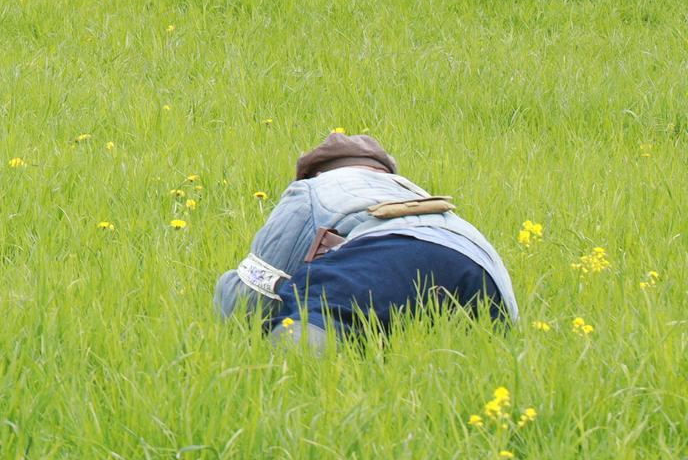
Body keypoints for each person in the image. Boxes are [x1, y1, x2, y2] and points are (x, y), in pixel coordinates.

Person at [214, 131, 517, 346]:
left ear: (315, 172)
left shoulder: (312, 190)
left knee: (316, 319)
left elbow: (253, 297)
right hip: (484, 272)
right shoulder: (412, 192)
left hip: (390, 251)